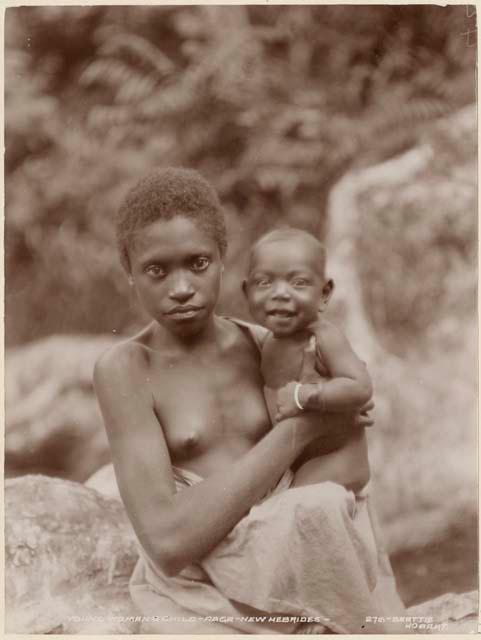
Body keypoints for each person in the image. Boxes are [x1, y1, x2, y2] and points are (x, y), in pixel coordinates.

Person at [94, 168, 404, 634]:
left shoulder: (268, 346)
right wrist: (300, 427)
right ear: (129, 275)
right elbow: (168, 542)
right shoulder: (127, 368)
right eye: (157, 271)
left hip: (289, 566)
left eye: (197, 264)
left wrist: (337, 410)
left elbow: (345, 471)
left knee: (324, 506)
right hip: (205, 586)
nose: (181, 288)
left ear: (223, 260)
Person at [242, 227, 372, 491]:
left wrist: (304, 395)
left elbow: (361, 387)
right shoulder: (267, 342)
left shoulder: (323, 337)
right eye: (264, 283)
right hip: (301, 461)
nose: (279, 293)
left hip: (339, 459)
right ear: (246, 293)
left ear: (324, 294)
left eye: (298, 282)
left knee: (289, 506)